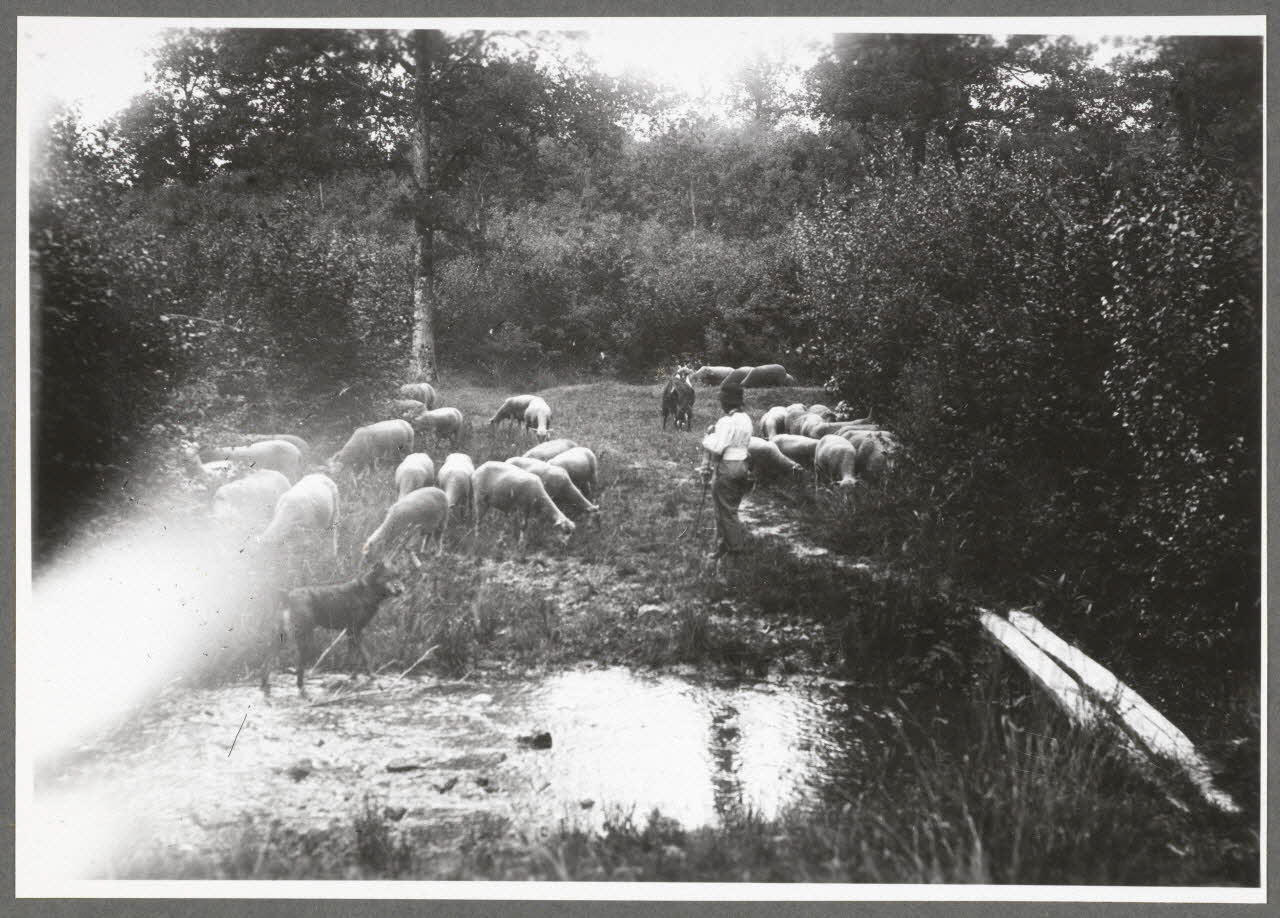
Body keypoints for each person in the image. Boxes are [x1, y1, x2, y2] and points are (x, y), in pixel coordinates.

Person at [698, 382, 754, 575]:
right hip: (743, 466)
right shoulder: (746, 418)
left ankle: (735, 551)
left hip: (728, 467)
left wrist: (708, 435)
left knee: (726, 511)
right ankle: (722, 545)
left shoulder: (726, 421)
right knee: (728, 507)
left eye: (722, 400)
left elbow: (717, 446)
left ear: (726, 402)